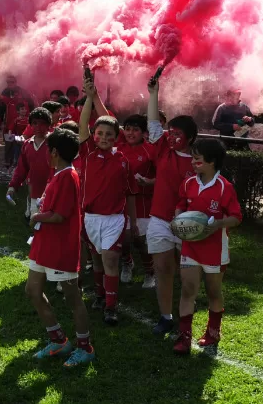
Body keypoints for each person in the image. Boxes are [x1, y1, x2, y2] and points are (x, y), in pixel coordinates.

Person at [27, 128, 95, 368]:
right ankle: (58, 340)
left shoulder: (68, 176)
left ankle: (85, 347)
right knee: (33, 290)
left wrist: (36, 216)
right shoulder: (58, 174)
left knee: (72, 297)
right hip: (44, 244)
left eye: (48, 149)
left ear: (54, 151)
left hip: (60, 248)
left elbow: (58, 216)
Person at [172, 138, 243, 355]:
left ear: (212, 162)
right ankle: (184, 337)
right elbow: (181, 204)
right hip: (191, 247)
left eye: (197, 159)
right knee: (187, 290)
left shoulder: (225, 187)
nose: (193, 162)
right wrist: (178, 220)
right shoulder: (188, 183)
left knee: (213, 292)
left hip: (214, 249)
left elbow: (236, 218)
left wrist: (218, 225)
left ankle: (213, 332)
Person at [76, 68, 135, 326]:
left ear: (115, 139)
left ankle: (111, 307)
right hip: (90, 217)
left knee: (110, 260)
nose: (103, 137)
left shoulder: (122, 157)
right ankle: (100, 296)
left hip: (113, 219)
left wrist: (131, 222)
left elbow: (130, 193)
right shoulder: (87, 152)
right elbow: (83, 124)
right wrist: (90, 97)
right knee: (98, 261)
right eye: (99, 133)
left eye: (108, 135)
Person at [145, 74, 199, 336]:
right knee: (164, 269)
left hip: (189, 224)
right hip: (159, 219)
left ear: (189, 138)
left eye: (177, 134)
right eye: (170, 132)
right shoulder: (162, 149)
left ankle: (185, 316)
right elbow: (153, 123)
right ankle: (165, 316)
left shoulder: (199, 161)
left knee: (188, 276)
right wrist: (154, 93)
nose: (171, 136)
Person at [116, 114, 157, 289]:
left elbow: (163, 174)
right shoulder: (118, 148)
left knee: (140, 240)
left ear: (143, 133)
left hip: (143, 201)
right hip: (121, 202)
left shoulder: (151, 150)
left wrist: (148, 182)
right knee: (123, 238)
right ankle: (127, 263)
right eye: (127, 129)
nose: (130, 133)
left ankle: (150, 272)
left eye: (135, 130)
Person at [8, 108, 54, 222]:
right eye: (34, 123)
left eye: (42, 123)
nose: (38, 127)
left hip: (53, 192)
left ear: (49, 125)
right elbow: (21, 168)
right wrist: (13, 186)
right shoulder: (27, 145)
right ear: (30, 125)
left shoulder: (54, 143)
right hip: (35, 192)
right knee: (35, 224)